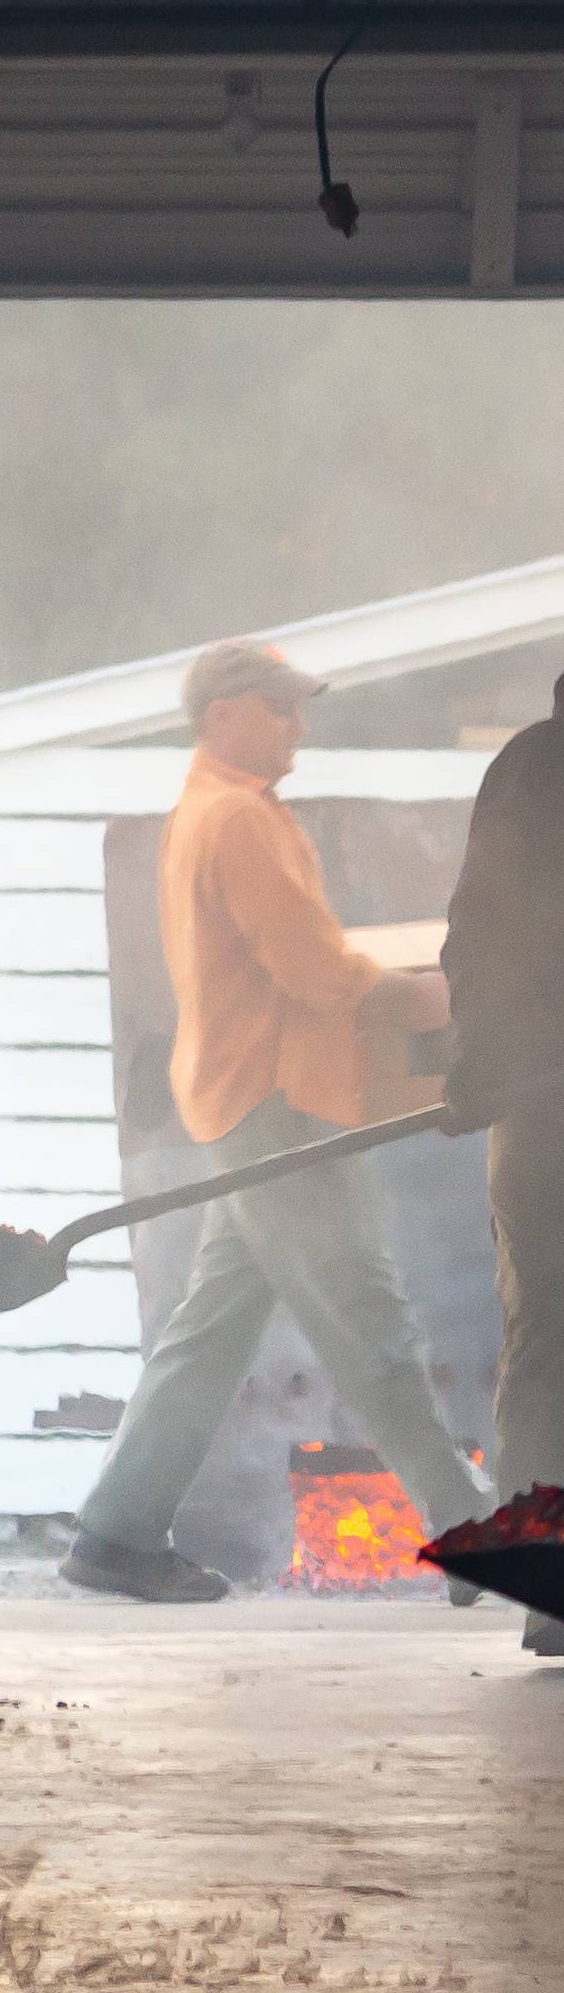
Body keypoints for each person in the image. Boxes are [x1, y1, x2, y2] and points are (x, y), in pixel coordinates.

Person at [63, 639, 492, 1605]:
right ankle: (467, 1534)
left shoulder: (212, 813)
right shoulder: (237, 823)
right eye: (281, 706)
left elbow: (299, 960)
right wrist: (421, 998)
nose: (299, 724)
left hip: (248, 1103)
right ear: (224, 715)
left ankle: (117, 1531)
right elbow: (311, 967)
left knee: (209, 1332)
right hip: (281, 1109)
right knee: (370, 1321)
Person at [443, 676, 564, 1654]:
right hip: (539, 1105)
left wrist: (481, 1068)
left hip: (532, 1118)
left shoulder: (521, 769)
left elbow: (472, 936)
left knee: (545, 1354)